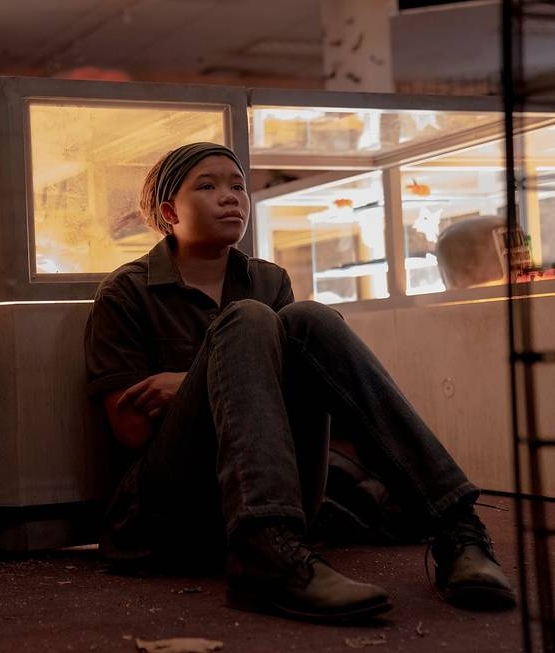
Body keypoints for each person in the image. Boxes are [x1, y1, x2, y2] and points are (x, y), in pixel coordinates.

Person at [84, 142, 515, 622]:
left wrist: (188, 381)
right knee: (246, 319)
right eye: (207, 186)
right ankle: (264, 552)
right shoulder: (126, 291)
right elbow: (132, 431)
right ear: (169, 211)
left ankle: (456, 526)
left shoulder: (269, 280)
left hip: (282, 490)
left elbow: (291, 401)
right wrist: (216, 374)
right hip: (172, 512)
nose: (232, 198)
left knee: (310, 317)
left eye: (238, 186)